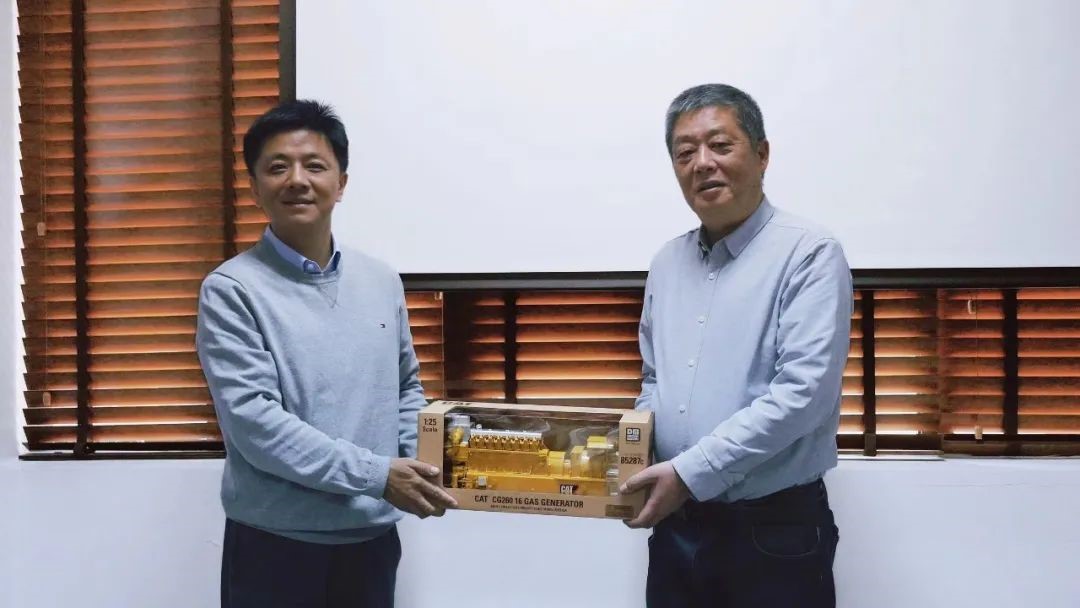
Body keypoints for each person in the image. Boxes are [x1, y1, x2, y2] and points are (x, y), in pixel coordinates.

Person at [196, 100, 456, 608]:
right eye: (278, 167)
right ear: (255, 187)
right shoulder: (231, 289)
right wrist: (379, 476)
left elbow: (405, 387)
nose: (297, 180)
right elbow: (255, 424)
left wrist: (420, 468)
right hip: (274, 545)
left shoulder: (380, 280)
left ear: (341, 183)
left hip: (371, 540)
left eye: (314, 165)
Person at [620, 84, 853, 607]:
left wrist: (688, 473)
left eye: (720, 145)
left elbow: (804, 395)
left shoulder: (810, 253)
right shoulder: (666, 262)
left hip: (774, 531)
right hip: (677, 525)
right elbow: (655, 379)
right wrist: (635, 450)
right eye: (685, 152)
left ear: (762, 154)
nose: (702, 163)